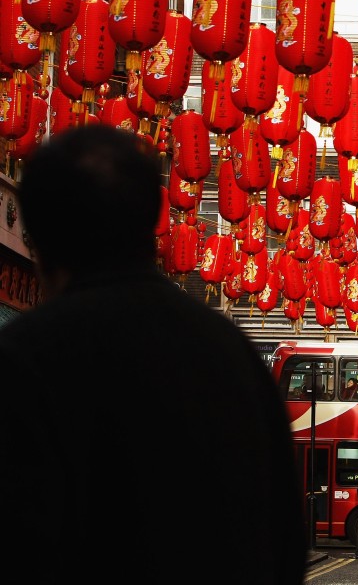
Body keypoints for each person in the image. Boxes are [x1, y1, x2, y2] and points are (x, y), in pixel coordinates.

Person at [0, 125, 307, 584]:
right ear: (150, 221)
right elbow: (284, 535)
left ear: (40, 241)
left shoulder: (23, 359)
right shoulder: (231, 354)